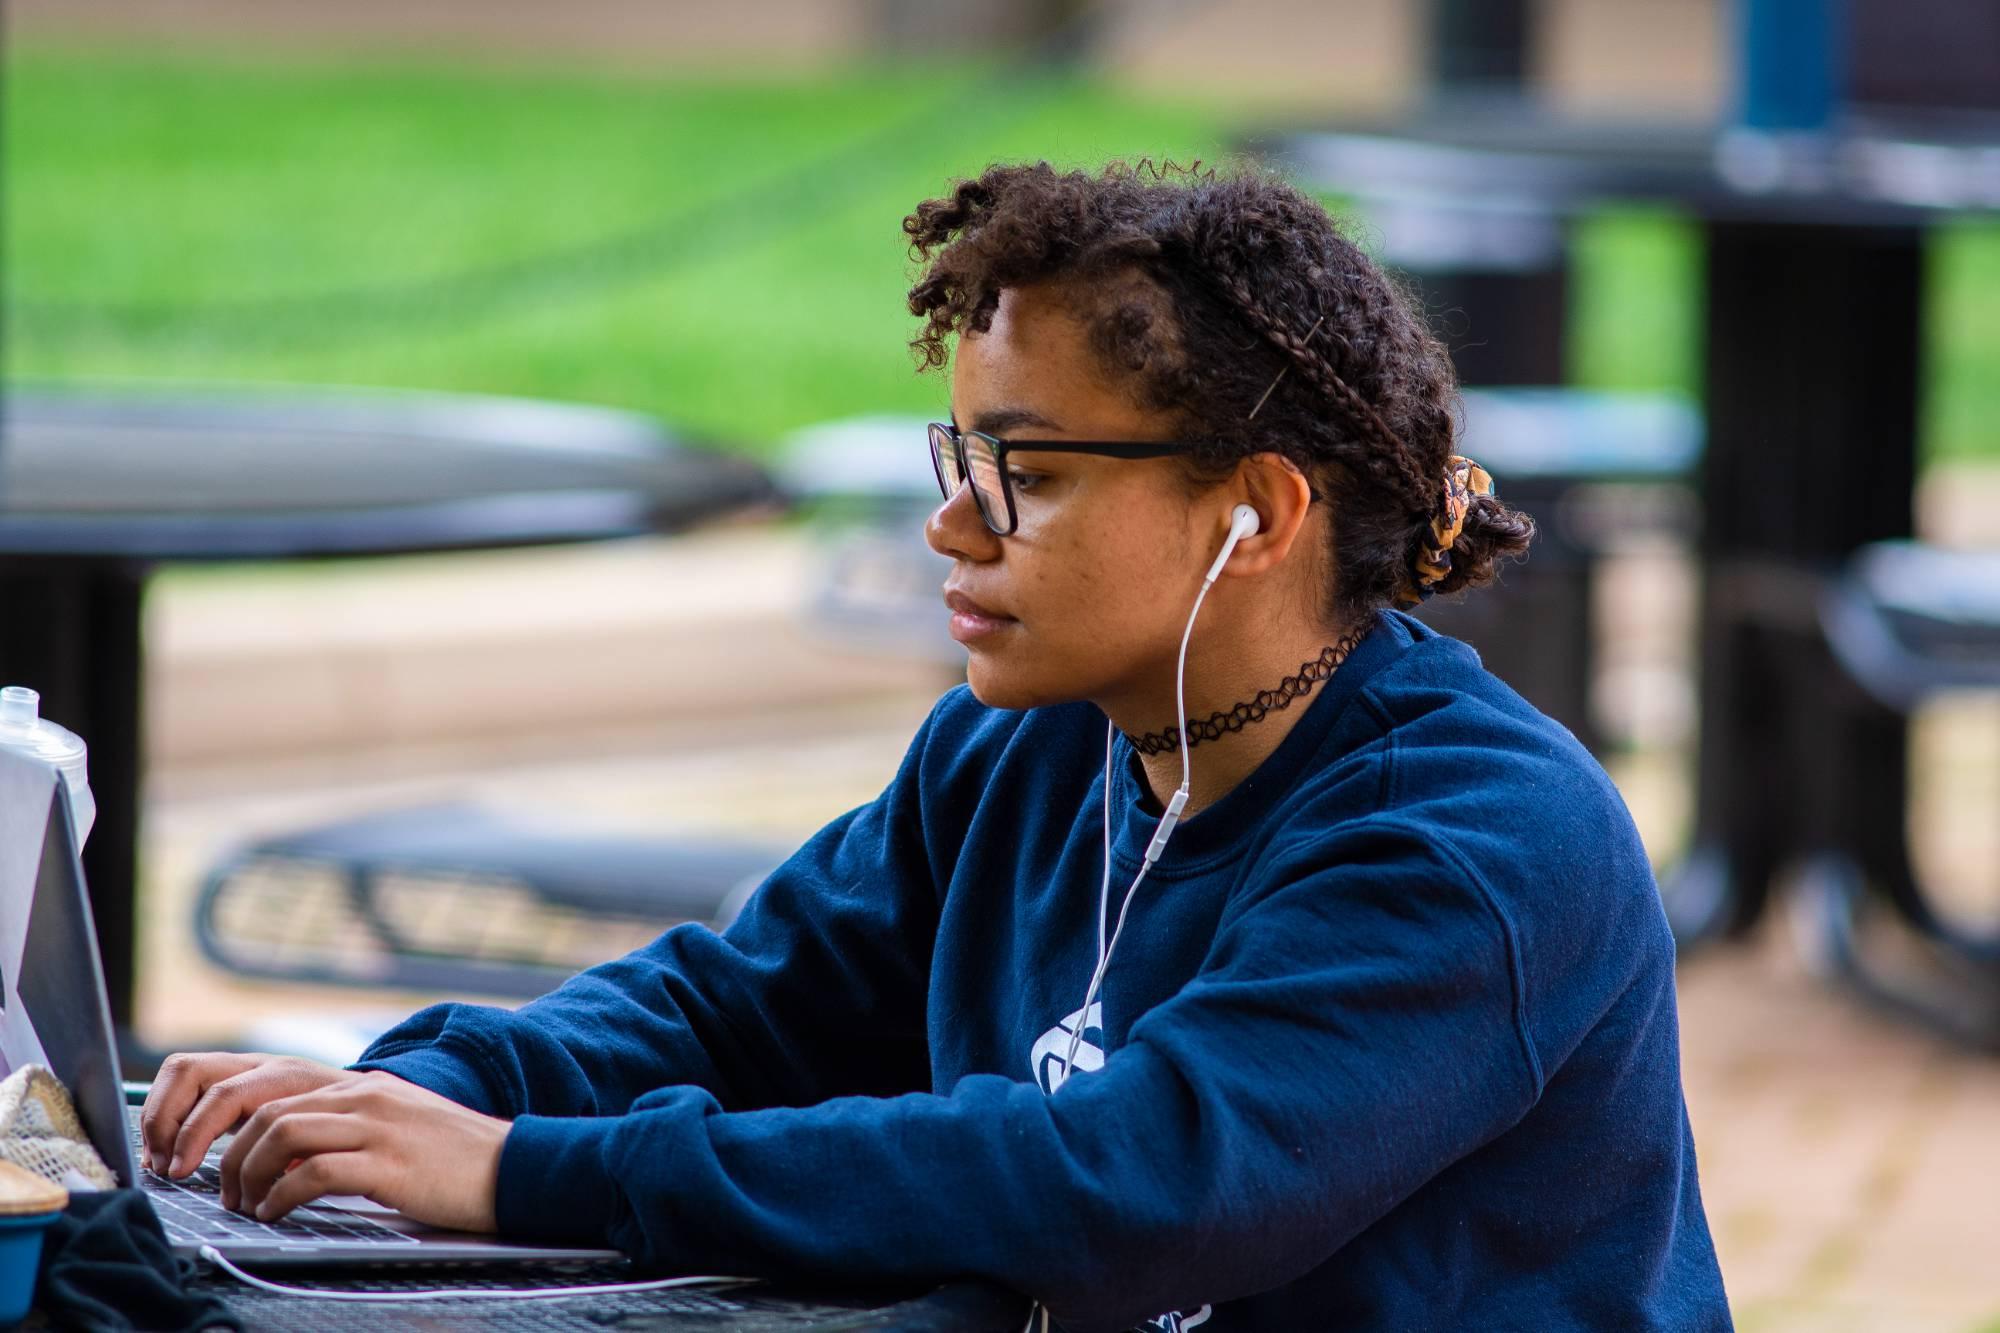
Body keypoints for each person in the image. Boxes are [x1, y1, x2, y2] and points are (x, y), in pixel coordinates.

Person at [139, 161, 1731, 1331]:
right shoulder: (1030, 753)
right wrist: (408, 1097)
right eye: (958, 455)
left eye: (1025, 472)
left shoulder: (1474, 842)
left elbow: (1135, 1180)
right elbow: (735, 1005)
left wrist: (522, 1171)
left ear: (1255, 512)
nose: (951, 524)